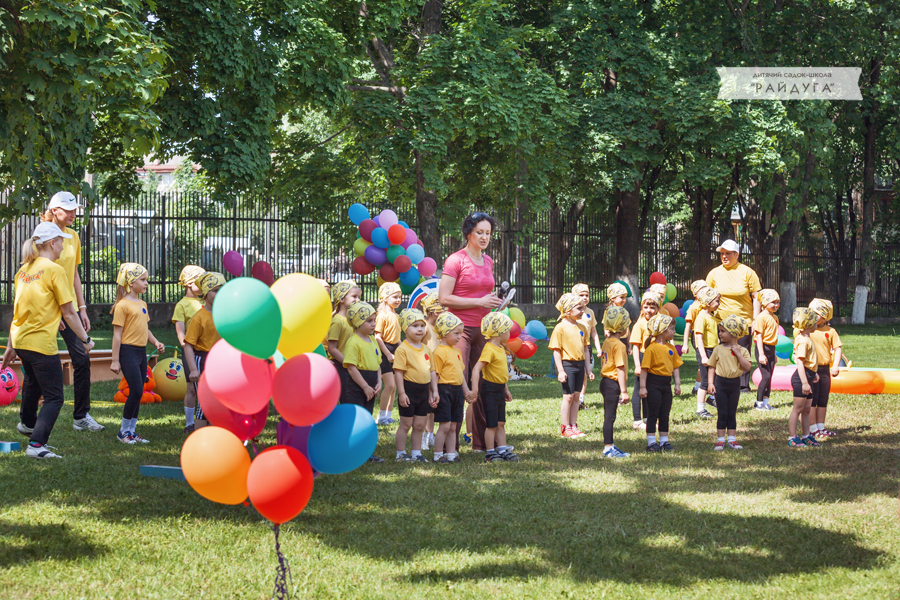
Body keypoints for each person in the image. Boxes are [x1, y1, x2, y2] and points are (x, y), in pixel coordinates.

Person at [1, 222, 95, 458]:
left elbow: (20, 310)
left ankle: (27, 424)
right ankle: (36, 446)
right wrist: (85, 339)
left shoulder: (23, 271)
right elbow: (69, 311)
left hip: (22, 340)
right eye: (61, 241)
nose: (64, 246)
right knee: (54, 397)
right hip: (40, 343)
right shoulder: (54, 270)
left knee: (33, 381)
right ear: (52, 243)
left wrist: (12, 346)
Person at [438, 212, 502, 453]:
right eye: (480, 232)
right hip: (459, 332)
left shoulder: (488, 261)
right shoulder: (455, 260)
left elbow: (485, 296)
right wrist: (480, 302)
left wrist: (494, 303)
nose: (485, 237)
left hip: (484, 331)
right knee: (456, 382)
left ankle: (482, 444)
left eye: (488, 233)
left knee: (484, 383)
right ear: (468, 233)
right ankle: (447, 447)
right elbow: (444, 298)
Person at [39, 192, 103, 432]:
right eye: (69, 210)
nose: (74, 213)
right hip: (46, 308)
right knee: (40, 359)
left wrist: (82, 307)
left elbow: (74, 275)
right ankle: (28, 419)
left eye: (75, 209)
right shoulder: (42, 233)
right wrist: (53, 312)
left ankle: (81, 416)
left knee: (82, 357)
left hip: (69, 308)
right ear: (54, 210)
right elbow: (36, 273)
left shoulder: (73, 236)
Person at [110, 263, 165, 444]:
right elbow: (117, 335)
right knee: (134, 390)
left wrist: (155, 342)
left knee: (139, 391)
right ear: (130, 282)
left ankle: (131, 432)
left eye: (146, 279)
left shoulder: (142, 304)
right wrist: (115, 360)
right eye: (142, 279)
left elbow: (145, 329)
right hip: (127, 352)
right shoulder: (122, 305)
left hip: (141, 352)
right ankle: (123, 431)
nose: (146, 283)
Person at [706, 239, 762, 393]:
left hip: (743, 322)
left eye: (728, 253)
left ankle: (743, 385)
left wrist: (756, 319)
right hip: (720, 322)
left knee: (741, 351)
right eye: (722, 254)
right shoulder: (714, 273)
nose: (724, 256)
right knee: (721, 352)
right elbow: (706, 296)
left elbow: (757, 296)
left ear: (736, 254)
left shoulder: (747, 272)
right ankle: (718, 381)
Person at [470, 313, 519, 462]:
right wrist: (475, 390)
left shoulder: (500, 349)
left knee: (500, 423)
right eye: (508, 330)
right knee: (491, 424)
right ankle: (490, 452)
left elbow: (501, 372)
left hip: (499, 389)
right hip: (489, 389)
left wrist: (506, 389)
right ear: (500, 332)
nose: (509, 334)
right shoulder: (489, 349)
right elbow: (476, 369)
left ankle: (502, 450)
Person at [392, 309, 438, 463]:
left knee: (419, 424)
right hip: (409, 390)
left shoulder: (426, 349)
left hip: (423, 391)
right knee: (406, 424)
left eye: (422, 325)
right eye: (415, 326)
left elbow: (431, 371)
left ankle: (416, 453)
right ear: (405, 329)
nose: (420, 329)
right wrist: (402, 393)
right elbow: (398, 372)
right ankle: (400, 453)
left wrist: (434, 391)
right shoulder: (402, 349)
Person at [342, 302, 385, 463]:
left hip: (372, 384)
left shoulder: (373, 340)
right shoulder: (353, 342)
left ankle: (365, 452)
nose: (373, 324)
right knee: (357, 419)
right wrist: (365, 387)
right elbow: (352, 368)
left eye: (374, 320)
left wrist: (379, 381)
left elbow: (378, 363)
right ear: (358, 323)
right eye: (369, 321)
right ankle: (352, 451)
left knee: (367, 418)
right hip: (358, 385)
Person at [183, 272, 225, 428]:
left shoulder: (225, 314)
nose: (219, 294)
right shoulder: (199, 317)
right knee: (204, 402)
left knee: (218, 401)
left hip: (220, 361)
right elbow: (188, 345)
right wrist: (193, 369)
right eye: (215, 290)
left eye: (222, 290)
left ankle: (214, 436)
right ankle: (200, 439)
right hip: (203, 361)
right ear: (206, 293)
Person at [549, 293, 593, 439]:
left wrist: (588, 368)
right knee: (567, 397)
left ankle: (573, 426)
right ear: (568, 311)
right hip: (567, 364)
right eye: (579, 308)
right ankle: (565, 427)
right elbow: (556, 351)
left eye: (583, 308)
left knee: (576, 396)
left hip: (580, 365)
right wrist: (560, 370)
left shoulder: (582, 327)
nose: (582, 311)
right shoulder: (560, 328)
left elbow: (586, 349)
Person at [707, 315, 752, 450]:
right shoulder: (718, 349)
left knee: (732, 412)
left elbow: (747, 367)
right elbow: (712, 366)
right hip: (720, 383)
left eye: (722, 331)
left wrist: (738, 354)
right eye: (719, 331)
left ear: (734, 333)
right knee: (722, 412)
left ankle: (732, 440)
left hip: (734, 384)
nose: (720, 334)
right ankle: (720, 440)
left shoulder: (743, 350)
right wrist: (710, 383)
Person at [431, 312, 471, 463]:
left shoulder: (457, 352)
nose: (459, 337)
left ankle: (451, 454)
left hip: (456, 392)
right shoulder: (438, 352)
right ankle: (438, 455)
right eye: (456, 333)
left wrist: (466, 390)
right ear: (444, 332)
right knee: (445, 425)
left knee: (454, 425)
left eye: (460, 333)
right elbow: (435, 374)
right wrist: (434, 392)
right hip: (444, 390)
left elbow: (460, 374)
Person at [639, 313, 682, 452]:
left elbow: (675, 367)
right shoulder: (651, 348)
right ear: (662, 331)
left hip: (666, 384)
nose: (674, 331)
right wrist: (643, 387)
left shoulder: (671, 348)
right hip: (653, 384)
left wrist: (677, 384)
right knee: (653, 413)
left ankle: (664, 441)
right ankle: (651, 442)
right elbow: (644, 369)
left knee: (665, 413)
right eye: (672, 329)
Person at [172, 265, 206, 433]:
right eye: (202, 281)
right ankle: (189, 423)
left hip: (206, 351)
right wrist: (187, 350)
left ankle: (207, 419)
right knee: (192, 388)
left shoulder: (206, 303)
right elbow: (181, 331)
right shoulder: (182, 305)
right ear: (189, 282)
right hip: (191, 353)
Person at [599, 306, 632, 458]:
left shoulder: (607, 341)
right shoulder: (620, 345)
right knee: (610, 417)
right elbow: (620, 368)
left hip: (605, 382)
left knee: (609, 415)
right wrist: (624, 391)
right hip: (613, 383)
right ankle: (607, 448)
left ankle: (610, 445)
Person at [807, 299, 842, 438]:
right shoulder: (806, 330)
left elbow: (837, 349)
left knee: (823, 399)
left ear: (825, 315)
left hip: (825, 370)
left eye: (818, 314)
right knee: (812, 400)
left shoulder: (831, 331)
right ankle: (812, 428)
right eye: (812, 313)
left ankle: (821, 427)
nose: (815, 317)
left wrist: (835, 365)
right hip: (811, 369)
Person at [628, 291, 660, 431]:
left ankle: (647, 418)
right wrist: (637, 365)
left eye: (653, 307)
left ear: (658, 309)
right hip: (642, 359)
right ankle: (637, 420)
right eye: (646, 307)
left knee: (649, 389)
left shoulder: (658, 324)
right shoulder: (639, 325)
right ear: (642, 308)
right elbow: (635, 346)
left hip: (654, 360)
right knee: (638, 389)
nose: (649, 310)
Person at [789, 307, 820, 448]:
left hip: (809, 376)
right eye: (814, 321)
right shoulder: (803, 340)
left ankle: (806, 435)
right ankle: (792, 437)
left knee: (807, 409)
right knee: (798, 409)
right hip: (802, 379)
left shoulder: (807, 338)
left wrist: (814, 373)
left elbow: (808, 360)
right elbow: (800, 362)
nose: (817, 323)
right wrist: (804, 382)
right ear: (808, 324)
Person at [327, 280, 362, 405]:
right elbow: (332, 348)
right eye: (354, 296)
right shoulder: (337, 321)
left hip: (353, 365)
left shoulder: (354, 320)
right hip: (341, 366)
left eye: (359, 297)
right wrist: (348, 362)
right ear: (341, 299)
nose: (358, 300)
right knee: (346, 399)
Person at [375, 282, 402, 425]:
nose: (398, 300)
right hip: (384, 350)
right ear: (385, 298)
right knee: (390, 385)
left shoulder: (396, 315)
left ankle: (388, 415)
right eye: (395, 297)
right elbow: (378, 337)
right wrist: (387, 354)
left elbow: (396, 338)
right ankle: (380, 416)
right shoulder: (382, 315)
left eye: (400, 297)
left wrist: (401, 349)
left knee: (395, 387)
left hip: (395, 350)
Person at [419, 292, 444, 449]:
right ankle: (421, 436)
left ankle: (430, 434)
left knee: (433, 405)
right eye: (443, 310)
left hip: (437, 372)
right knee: (425, 406)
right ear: (436, 312)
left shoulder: (439, 328)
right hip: (425, 371)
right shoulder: (424, 327)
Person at [572, 283, 603, 410]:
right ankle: (572, 398)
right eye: (581, 295)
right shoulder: (572, 312)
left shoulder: (590, 312)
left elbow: (594, 332)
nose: (585, 297)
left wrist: (598, 347)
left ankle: (580, 400)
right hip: (573, 347)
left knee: (585, 374)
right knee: (574, 374)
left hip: (587, 347)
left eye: (587, 295)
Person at [693, 287, 721, 419]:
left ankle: (712, 398)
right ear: (708, 302)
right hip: (705, 351)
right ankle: (700, 409)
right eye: (717, 301)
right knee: (705, 381)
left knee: (713, 378)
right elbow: (699, 337)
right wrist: (704, 355)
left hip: (713, 350)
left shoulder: (711, 316)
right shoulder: (701, 317)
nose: (719, 303)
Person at [753, 289, 781, 411]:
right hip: (762, 348)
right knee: (766, 376)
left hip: (771, 348)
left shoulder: (775, 318)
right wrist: (761, 354)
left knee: (770, 377)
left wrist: (773, 354)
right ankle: (758, 403)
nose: (776, 305)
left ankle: (766, 402)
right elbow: (759, 336)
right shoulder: (761, 317)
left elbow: (773, 338)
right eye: (773, 302)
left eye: (778, 302)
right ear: (765, 303)